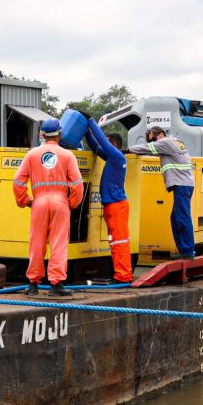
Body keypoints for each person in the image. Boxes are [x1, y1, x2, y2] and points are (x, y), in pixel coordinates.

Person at [12, 118, 84, 296]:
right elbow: (77, 184)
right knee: (59, 243)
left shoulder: (32, 154)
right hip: (60, 203)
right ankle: (56, 284)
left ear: (42, 135)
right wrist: (72, 203)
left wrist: (25, 200)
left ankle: (33, 284)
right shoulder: (68, 155)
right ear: (60, 134)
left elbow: (18, 181)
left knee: (36, 242)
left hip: (39, 202)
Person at [129, 126, 195, 259]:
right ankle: (185, 251)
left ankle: (187, 251)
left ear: (160, 135)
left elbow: (145, 149)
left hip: (182, 185)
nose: (153, 143)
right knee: (176, 218)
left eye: (153, 139)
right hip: (184, 184)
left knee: (182, 217)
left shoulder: (165, 142)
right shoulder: (174, 142)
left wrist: (127, 150)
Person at [84, 117, 132, 282]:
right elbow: (96, 147)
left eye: (109, 142)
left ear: (115, 144)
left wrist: (90, 122)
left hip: (117, 206)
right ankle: (120, 273)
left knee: (119, 241)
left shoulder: (117, 156)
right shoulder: (112, 158)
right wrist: (87, 133)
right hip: (112, 205)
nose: (106, 145)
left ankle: (124, 275)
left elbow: (101, 141)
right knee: (115, 241)